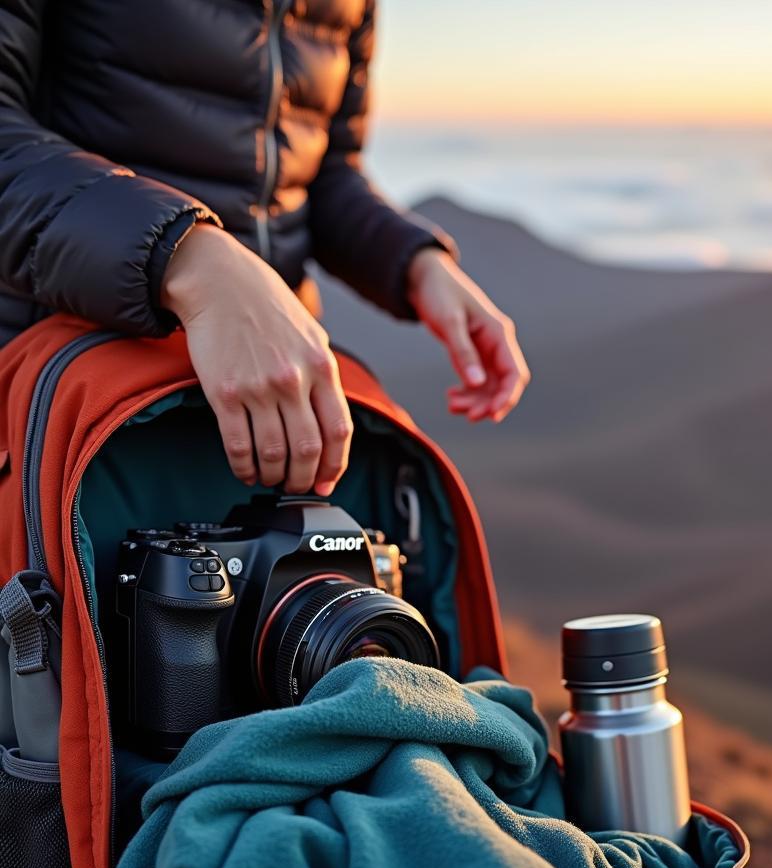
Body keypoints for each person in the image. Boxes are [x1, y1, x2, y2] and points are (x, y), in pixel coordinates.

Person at [0, 0, 530, 497]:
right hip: (58, 412)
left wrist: (415, 261)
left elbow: (319, 172)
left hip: (273, 405)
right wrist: (189, 259)